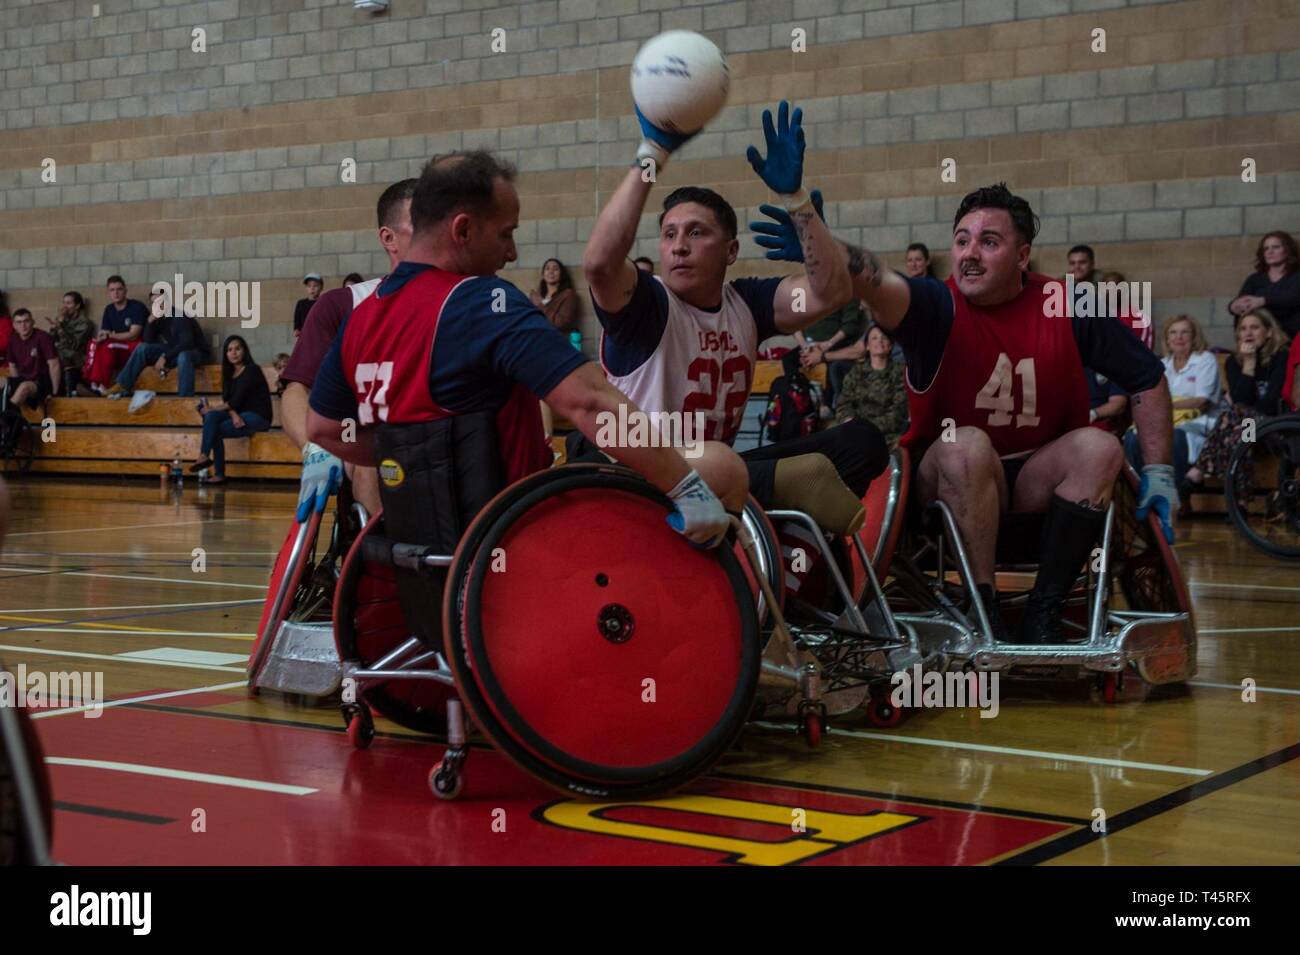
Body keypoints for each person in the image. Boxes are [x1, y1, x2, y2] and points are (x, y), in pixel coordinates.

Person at [759, 183, 1174, 645]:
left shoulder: (1068, 302)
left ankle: (1046, 610)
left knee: (1101, 445)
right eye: (961, 240)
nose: (970, 254)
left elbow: (1148, 377)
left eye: (988, 242)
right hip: (943, 490)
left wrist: (1159, 470)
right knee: (967, 445)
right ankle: (984, 610)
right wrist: (823, 244)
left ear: (1022, 256)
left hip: (1039, 480)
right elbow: (875, 279)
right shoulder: (937, 304)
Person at [306, 150, 739, 552]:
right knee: (721, 467)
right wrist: (687, 489)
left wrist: (413, 463)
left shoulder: (361, 317)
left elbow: (324, 428)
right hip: (518, 535)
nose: (512, 253)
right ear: (463, 230)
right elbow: (590, 403)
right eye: (506, 234)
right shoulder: (482, 301)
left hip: (426, 554)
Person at [578, 100, 886, 535]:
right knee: (746, 467)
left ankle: (799, 550)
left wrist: (801, 209)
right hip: (635, 479)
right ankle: (792, 515)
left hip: (717, 476)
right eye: (669, 234)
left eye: (696, 232)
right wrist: (652, 152)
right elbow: (598, 265)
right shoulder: (646, 305)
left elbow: (831, 292)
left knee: (862, 442)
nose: (678, 245)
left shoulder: (748, 303)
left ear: (732, 252)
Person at [280, 178, 419, 519]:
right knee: (376, 451)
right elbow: (297, 389)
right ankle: (381, 555)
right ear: (389, 238)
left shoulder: (467, 300)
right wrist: (314, 448)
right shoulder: (344, 305)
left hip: (451, 450)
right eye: (422, 225)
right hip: (377, 453)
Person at [1182, 309, 1291, 497]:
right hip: (1246, 431)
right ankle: (1239, 503)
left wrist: (1243, 413)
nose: (1248, 333)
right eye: (1243, 329)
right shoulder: (1234, 362)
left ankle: (1199, 470)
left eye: (1255, 328)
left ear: (1269, 332)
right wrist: (1248, 364)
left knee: (1239, 416)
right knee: (1241, 434)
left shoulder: (1281, 357)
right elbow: (1241, 400)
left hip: (1274, 430)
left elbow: (1271, 403)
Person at [1124, 315, 1220, 489]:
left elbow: (1201, 401)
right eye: (1173, 333)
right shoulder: (1162, 364)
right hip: (1165, 419)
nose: (1179, 337)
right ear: (1167, 339)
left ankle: (1174, 494)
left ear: (1194, 337)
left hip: (1196, 421)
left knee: (1175, 436)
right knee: (1132, 437)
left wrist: (1162, 406)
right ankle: (1141, 491)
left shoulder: (1205, 360)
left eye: (1185, 332)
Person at [189, 336, 272, 485]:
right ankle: (205, 457)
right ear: (226, 354)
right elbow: (230, 402)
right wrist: (233, 414)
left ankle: (213, 466)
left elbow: (236, 401)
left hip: (258, 416)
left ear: (244, 351)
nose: (234, 353)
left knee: (213, 422)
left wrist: (212, 409)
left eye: (238, 349)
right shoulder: (228, 374)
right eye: (230, 350)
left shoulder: (252, 370)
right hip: (240, 414)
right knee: (212, 419)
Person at [104, 292, 204, 399]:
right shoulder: (159, 318)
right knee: (142, 348)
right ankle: (122, 385)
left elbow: (186, 344)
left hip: (196, 352)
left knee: (183, 356)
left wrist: (165, 356)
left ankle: (185, 399)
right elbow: (148, 341)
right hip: (175, 351)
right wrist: (149, 322)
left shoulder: (179, 317)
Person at [834, 323, 908, 448]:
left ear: (890, 345)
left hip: (888, 435)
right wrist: (849, 421)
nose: (879, 341)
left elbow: (899, 413)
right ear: (867, 346)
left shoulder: (899, 372)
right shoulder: (856, 372)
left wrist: (865, 428)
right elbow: (843, 404)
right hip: (856, 433)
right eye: (874, 338)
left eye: (884, 338)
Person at [79, 276, 146, 396]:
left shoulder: (136, 307)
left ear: (125, 290)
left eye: (119, 289)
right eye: (112, 290)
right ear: (108, 292)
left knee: (108, 345)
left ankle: (103, 385)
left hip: (134, 348)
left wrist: (110, 335)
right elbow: (104, 333)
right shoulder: (109, 309)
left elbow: (133, 335)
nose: (116, 293)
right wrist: (100, 338)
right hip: (117, 346)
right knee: (93, 343)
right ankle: (91, 383)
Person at [1230, 231, 1300, 337]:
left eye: (1275, 247)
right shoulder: (1255, 279)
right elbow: (1242, 299)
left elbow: (1292, 298)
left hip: (1289, 335)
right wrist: (1233, 306)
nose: (1270, 252)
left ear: (1287, 250)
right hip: (1259, 337)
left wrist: (1262, 301)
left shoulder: (1296, 276)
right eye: (1266, 248)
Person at [3, 310, 60, 412]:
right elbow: (12, 365)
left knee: (24, 387)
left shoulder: (43, 337)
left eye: (26, 321)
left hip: (42, 381)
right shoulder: (13, 339)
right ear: (14, 325)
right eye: (19, 322)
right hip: (23, 379)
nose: (23, 325)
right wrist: (15, 384)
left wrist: (55, 393)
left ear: (33, 322)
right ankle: (7, 414)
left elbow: (54, 365)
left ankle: (6, 418)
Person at [43, 292, 95, 396]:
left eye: (68, 303)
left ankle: (61, 394)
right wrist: (55, 327)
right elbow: (51, 341)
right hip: (61, 355)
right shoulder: (63, 320)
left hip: (76, 358)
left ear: (77, 305)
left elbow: (74, 345)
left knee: (56, 361)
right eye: (64, 303)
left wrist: (60, 328)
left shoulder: (85, 323)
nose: (64, 307)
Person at [528, 258, 580, 332]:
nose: (551, 272)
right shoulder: (537, 296)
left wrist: (540, 305)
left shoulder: (568, 295)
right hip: (536, 338)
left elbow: (560, 323)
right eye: (547, 269)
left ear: (561, 274)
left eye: (555, 269)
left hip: (555, 339)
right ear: (543, 275)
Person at [293, 273, 324, 340]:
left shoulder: (323, 303)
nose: (312, 288)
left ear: (321, 287)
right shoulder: (301, 303)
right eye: (309, 286)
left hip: (319, 337)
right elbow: (297, 321)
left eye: (315, 286)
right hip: (304, 337)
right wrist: (296, 330)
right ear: (306, 288)